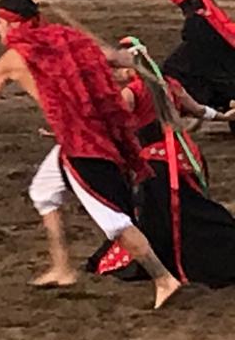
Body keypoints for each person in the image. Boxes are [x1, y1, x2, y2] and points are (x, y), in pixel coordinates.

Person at [0, 0, 183, 309]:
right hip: (91, 133)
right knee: (43, 192)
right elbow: (117, 59)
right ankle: (62, 267)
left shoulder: (11, 60)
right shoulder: (68, 38)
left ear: (14, 23)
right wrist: (134, 57)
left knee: (114, 222)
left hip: (81, 144)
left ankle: (163, 279)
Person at [87, 37, 235, 287]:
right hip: (186, 157)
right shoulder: (170, 85)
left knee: (165, 218)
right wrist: (224, 116)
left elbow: (109, 127)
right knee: (193, 210)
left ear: (128, 68)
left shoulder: (131, 93)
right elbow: (199, 110)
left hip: (157, 166)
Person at [96, 0, 235, 116]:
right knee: (216, 65)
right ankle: (220, 103)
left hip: (199, 27)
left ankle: (197, 105)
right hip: (208, 23)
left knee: (176, 69)